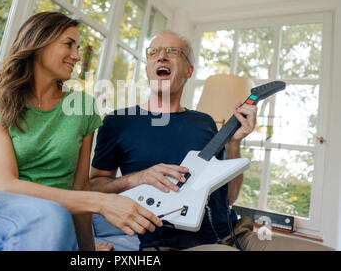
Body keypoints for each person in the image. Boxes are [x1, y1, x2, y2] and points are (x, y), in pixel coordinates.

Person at [0, 12, 162, 251]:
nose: (76, 56)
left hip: (46, 217)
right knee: (49, 217)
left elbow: (79, 187)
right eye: (69, 44)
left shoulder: (82, 107)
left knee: (52, 219)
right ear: (38, 44)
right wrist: (102, 202)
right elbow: (4, 184)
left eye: (78, 47)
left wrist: (88, 251)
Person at [90, 30, 333, 251]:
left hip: (235, 233)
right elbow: (94, 186)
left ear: (188, 71)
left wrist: (234, 143)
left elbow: (228, 198)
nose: (161, 57)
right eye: (153, 52)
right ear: (148, 67)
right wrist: (138, 178)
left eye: (172, 52)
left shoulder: (204, 122)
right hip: (168, 242)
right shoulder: (118, 121)